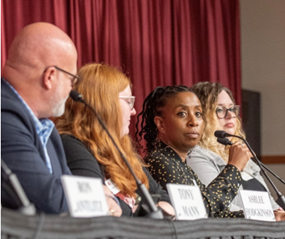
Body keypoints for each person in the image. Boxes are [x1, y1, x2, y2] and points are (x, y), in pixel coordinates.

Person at [1, 22, 121, 216]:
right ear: (50, 76)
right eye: (71, 80)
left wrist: (99, 198)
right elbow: (49, 200)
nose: (71, 90)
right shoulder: (4, 115)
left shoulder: (47, 130)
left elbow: (71, 190)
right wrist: (101, 199)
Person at [55, 63, 174, 217]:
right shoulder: (72, 145)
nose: (134, 111)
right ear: (105, 103)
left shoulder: (121, 149)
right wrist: (149, 211)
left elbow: (164, 199)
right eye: (128, 102)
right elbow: (101, 208)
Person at [187, 81, 285, 221]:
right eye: (220, 110)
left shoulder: (243, 156)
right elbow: (217, 205)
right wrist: (272, 215)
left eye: (231, 108)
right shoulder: (196, 156)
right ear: (201, 116)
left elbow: (269, 204)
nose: (230, 116)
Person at [136, 85, 251, 218]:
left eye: (198, 114)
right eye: (182, 114)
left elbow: (216, 214)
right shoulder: (160, 161)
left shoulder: (181, 164)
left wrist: (266, 217)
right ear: (161, 124)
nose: (194, 122)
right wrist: (234, 168)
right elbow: (200, 211)